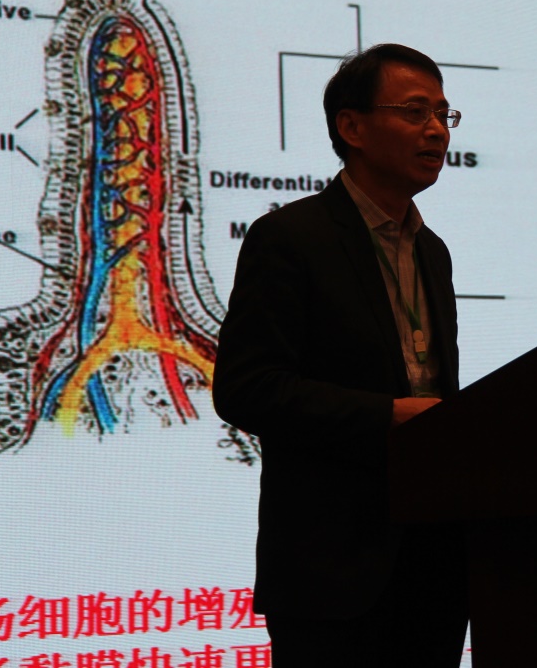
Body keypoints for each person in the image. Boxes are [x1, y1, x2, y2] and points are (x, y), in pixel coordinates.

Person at [212, 43, 468, 667]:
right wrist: (388, 415)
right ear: (351, 127)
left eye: (443, 114)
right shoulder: (290, 238)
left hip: (432, 565)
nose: (437, 130)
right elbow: (247, 388)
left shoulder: (432, 251)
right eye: (415, 112)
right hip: (331, 569)